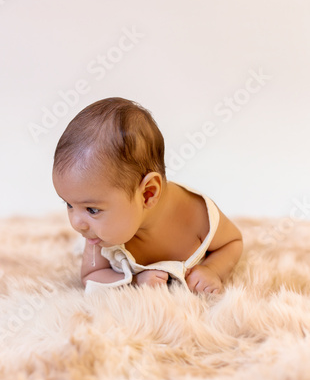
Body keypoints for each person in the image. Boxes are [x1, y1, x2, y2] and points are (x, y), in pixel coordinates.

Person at [52, 97, 243, 295]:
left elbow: (232, 243)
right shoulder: (98, 236)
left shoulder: (199, 215)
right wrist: (135, 281)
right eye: (69, 204)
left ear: (148, 193)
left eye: (92, 209)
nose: (76, 223)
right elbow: (91, 275)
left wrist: (213, 269)